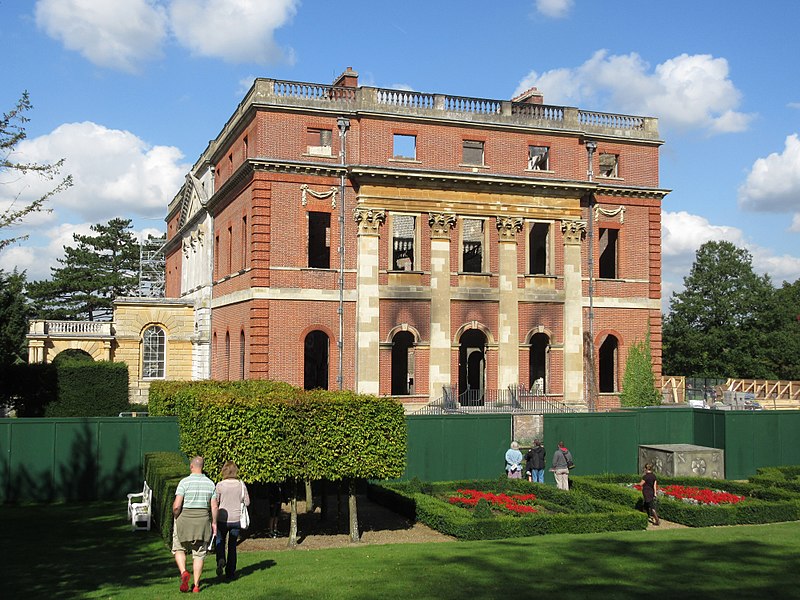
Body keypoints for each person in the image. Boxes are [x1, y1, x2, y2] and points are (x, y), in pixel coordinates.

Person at [172, 456, 218, 593]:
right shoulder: (210, 484)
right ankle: (196, 585)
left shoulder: (184, 483)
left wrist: (176, 516)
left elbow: (176, 506)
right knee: (199, 553)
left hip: (184, 519)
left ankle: (184, 572)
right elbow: (214, 507)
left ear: (191, 466)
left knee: (179, 548)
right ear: (202, 467)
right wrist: (214, 523)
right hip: (202, 520)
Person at [214, 461, 250, 580]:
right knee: (232, 545)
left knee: (220, 540)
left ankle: (220, 559)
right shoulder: (241, 484)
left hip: (222, 519)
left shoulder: (220, 485)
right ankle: (230, 572)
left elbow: (216, 502)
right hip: (236, 519)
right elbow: (247, 502)